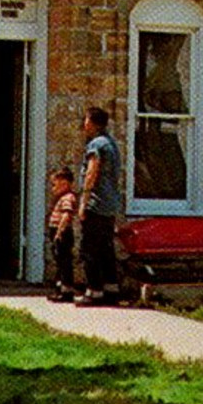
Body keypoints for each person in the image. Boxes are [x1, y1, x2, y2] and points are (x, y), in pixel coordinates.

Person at [75, 106, 122, 306]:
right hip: (110, 204)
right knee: (106, 248)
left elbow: (92, 172)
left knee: (89, 248)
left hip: (96, 202)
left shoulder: (96, 145)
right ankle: (111, 289)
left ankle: (94, 291)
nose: (84, 124)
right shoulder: (111, 143)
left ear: (93, 123)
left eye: (86, 120)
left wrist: (84, 201)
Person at [46, 167, 79, 302]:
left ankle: (66, 290)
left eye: (55, 185)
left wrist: (60, 231)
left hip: (62, 233)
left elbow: (66, 215)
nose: (53, 189)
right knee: (59, 261)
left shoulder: (68, 198)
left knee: (64, 261)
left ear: (64, 183)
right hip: (56, 231)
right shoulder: (60, 198)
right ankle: (60, 288)